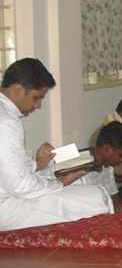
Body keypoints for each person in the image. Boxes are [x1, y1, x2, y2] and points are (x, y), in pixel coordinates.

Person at [0, 58, 112, 231]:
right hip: (7, 205)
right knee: (97, 197)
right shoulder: (6, 122)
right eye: (37, 98)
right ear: (17, 90)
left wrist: (39, 164)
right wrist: (60, 183)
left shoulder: (6, 116)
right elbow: (20, 186)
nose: (38, 105)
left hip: (12, 191)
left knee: (73, 172)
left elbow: (9, 168)